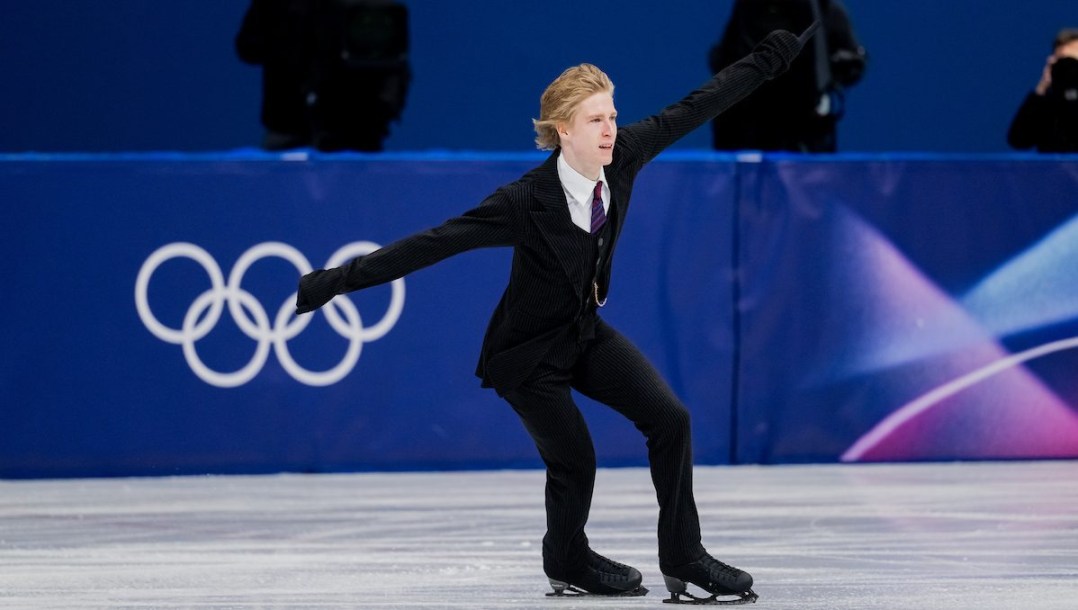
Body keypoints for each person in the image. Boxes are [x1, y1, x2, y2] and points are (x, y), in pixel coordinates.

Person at [294, 22, 818, 603]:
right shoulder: (525, 202)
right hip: (526, 355)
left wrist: (769, 59)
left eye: (613, 116)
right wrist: (331, 283)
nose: (611, 129)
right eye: (597, 120)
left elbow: (700, 104)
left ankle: (683, 554)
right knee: (576, 460)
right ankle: (566, 559)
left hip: (582, 334)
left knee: (670, 420)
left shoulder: (624, 160)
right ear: (562, 130)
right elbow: (431, 243)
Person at [235, 0, 411, 152]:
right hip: (287, 124)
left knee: (357, 188)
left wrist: (383, 111)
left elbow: (392, 58)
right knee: (281, 187)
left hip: (356, 131)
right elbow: (248, 47)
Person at [708, 0, 865, 152]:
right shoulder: (750, 8)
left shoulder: (827, 10)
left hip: (807, 128)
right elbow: (726, 59)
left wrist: (846, 64)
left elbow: (850, 65)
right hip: (752, 127)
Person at [1007, 28, 1078, 153]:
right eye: (1062, 61)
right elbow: (1018, 140)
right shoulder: (1048, 101)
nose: (1069, 67)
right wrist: (1042, 87)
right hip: (1056, 172)